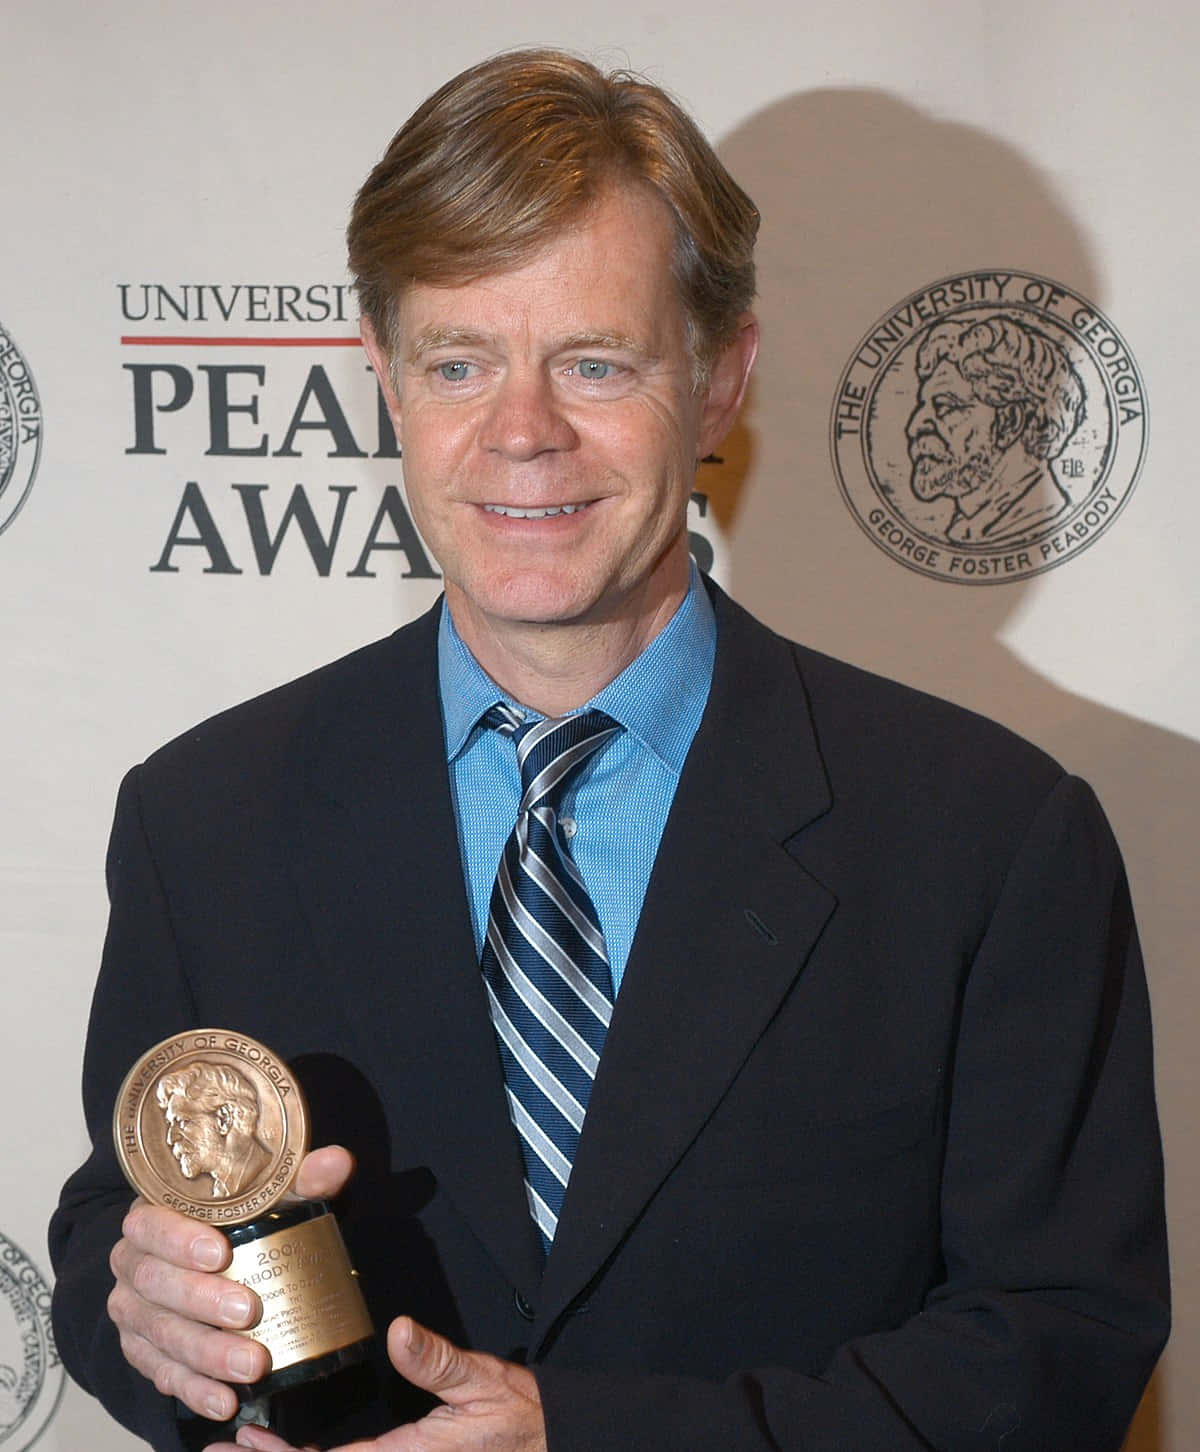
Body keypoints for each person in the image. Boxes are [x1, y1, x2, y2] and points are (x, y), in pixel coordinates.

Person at [50, 48, 1167, 1452]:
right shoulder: (203, 818)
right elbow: (119, 1223)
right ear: (384, 380)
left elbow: (1057, 1345)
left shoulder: (990, 838)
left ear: (718, 383)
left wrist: (577, 1434)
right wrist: (143, 1311)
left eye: (595, 361)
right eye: (460, 361)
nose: (523, 433)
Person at [906, 312, 1086, 543]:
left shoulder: (1032, 522)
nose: (914, 427)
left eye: (944, 407)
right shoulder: (967, 530)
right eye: (924, 407)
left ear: (1010, 423)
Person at [156, 1063, 274, 1201]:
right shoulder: (222, 1188)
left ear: (224, 1119)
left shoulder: (265, 1171)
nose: (171, 1138)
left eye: (183, 1122)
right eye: (171, 1124)